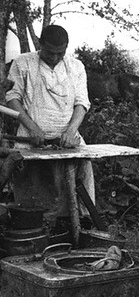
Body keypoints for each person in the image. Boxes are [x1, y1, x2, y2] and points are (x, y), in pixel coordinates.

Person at [6, 24, 94, 222]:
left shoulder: (76, 67)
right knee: (35, 195)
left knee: (77, 183)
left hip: (68, 140)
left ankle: (78, 225)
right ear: (40, 44)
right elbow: (12, 98)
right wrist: (32, 127)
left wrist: (71, 131)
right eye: (49, 53)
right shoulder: (23, 63)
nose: (54, 58)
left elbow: (82, 103)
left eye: (59, 53)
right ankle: (34, 228)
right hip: (31, 138)